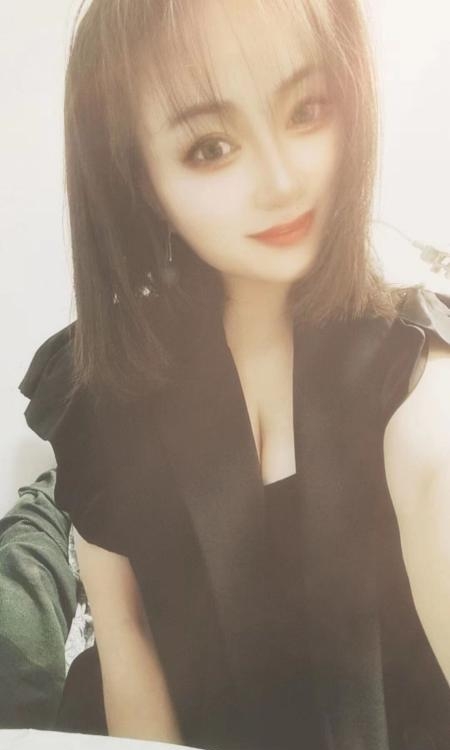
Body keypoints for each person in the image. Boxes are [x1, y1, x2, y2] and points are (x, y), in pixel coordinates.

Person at [19, 0, 450, 748]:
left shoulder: (413, 361)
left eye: (306, 110)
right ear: (139, 177)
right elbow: (127, 637)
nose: (282, 180)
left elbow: (435, 464)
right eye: (211, 146)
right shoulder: (97, 391)